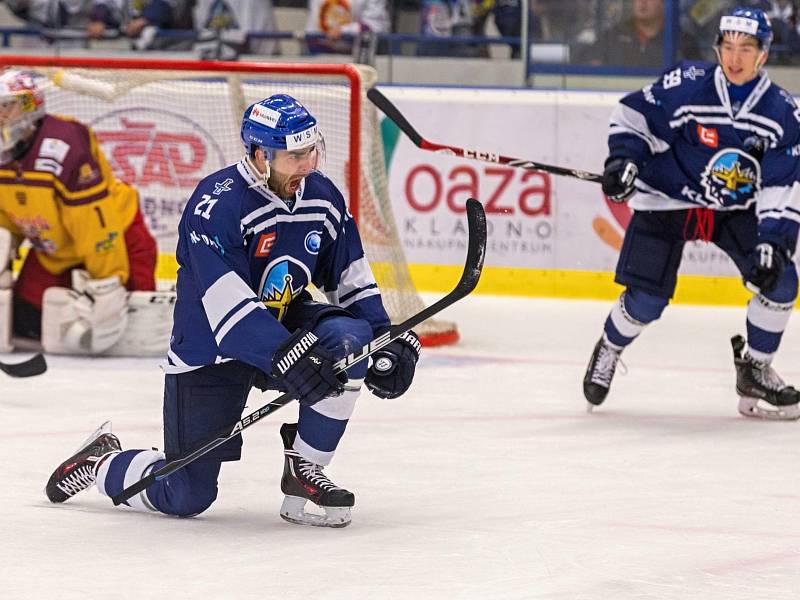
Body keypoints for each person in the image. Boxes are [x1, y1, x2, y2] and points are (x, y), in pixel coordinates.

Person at [43, 93, 421, 528]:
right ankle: (103, 461)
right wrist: (287, 353)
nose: (306, 165)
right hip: (211, 346)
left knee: (349, 343)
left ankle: (305, 470)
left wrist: (382, 339)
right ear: (261, 156)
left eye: (310, 151)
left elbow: (351, 278)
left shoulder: (321, 196)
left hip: (284, 327)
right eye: (294, 155)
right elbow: (227, 309)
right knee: (186, 494)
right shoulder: (216, 204)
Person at [583, 7, 800, 420]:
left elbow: (782, 184)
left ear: (764, 54)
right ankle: (609, 346)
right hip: (670, 198)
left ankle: (754, 367)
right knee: (646, 300)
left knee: (781, 280)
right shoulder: (688, 85)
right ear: (718, 48)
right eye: (728, 47)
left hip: (733, 209)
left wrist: (774, 238)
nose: (735, 59)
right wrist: (624, 160)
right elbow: (634, 117)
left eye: (746, 49)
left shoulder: (781, 114)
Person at [0, 69, 158, 355]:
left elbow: (95, 226)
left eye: (5, 106)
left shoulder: (64, 143)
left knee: (139, 327)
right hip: (55, 248)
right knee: (24, 323)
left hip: (117, 234)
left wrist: (107, 286)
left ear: (29, 106)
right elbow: (6, 215)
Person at [581, 0, 666, 68]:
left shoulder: (676, 40)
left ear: (664, 3)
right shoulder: (612, 36)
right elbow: (586, 64)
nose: (642, 2)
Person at [305, 0, 389, 54]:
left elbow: (376, 26)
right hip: (322, 56)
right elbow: (312, 30)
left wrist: (343, 31)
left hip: (359, 58)